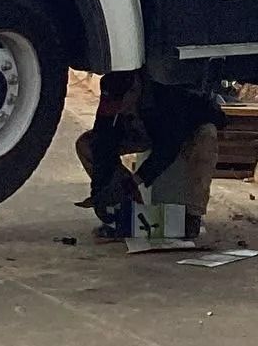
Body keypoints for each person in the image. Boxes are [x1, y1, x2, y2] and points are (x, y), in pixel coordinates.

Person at [75, 71, 225, 241]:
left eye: (119, 105)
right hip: (144, 130)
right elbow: (102, 142)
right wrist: (100, 190)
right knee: (86, 143)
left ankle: (192, 218)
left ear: (134, 91)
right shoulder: (115, 94)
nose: (116, 110)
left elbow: (167, 148)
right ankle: (127, 209)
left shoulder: (168, 94)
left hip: (184, 130)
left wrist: (136, 180)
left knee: (206, 136)